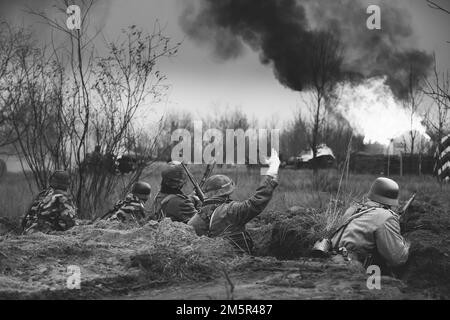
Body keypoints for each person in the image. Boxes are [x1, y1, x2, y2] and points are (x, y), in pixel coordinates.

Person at [188, 149, 280, 255]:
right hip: (240, 261)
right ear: (227, 193)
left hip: (213, 262)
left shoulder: (194, 220)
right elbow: (256, 203)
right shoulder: (232, 210)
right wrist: (271, 173)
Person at [330, 177, 410, 273]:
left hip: (333, 258)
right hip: (354, 268)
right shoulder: (386, 216)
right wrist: (407, 242)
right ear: (392, 201)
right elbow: (397, 258)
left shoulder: (353, 209)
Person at [21, 170, 77, 234]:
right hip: (43, 232)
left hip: (28, 230)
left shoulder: (42, 194)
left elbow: (26, 217)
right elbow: (70, 222)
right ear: (67, 184)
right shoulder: (61, 196)